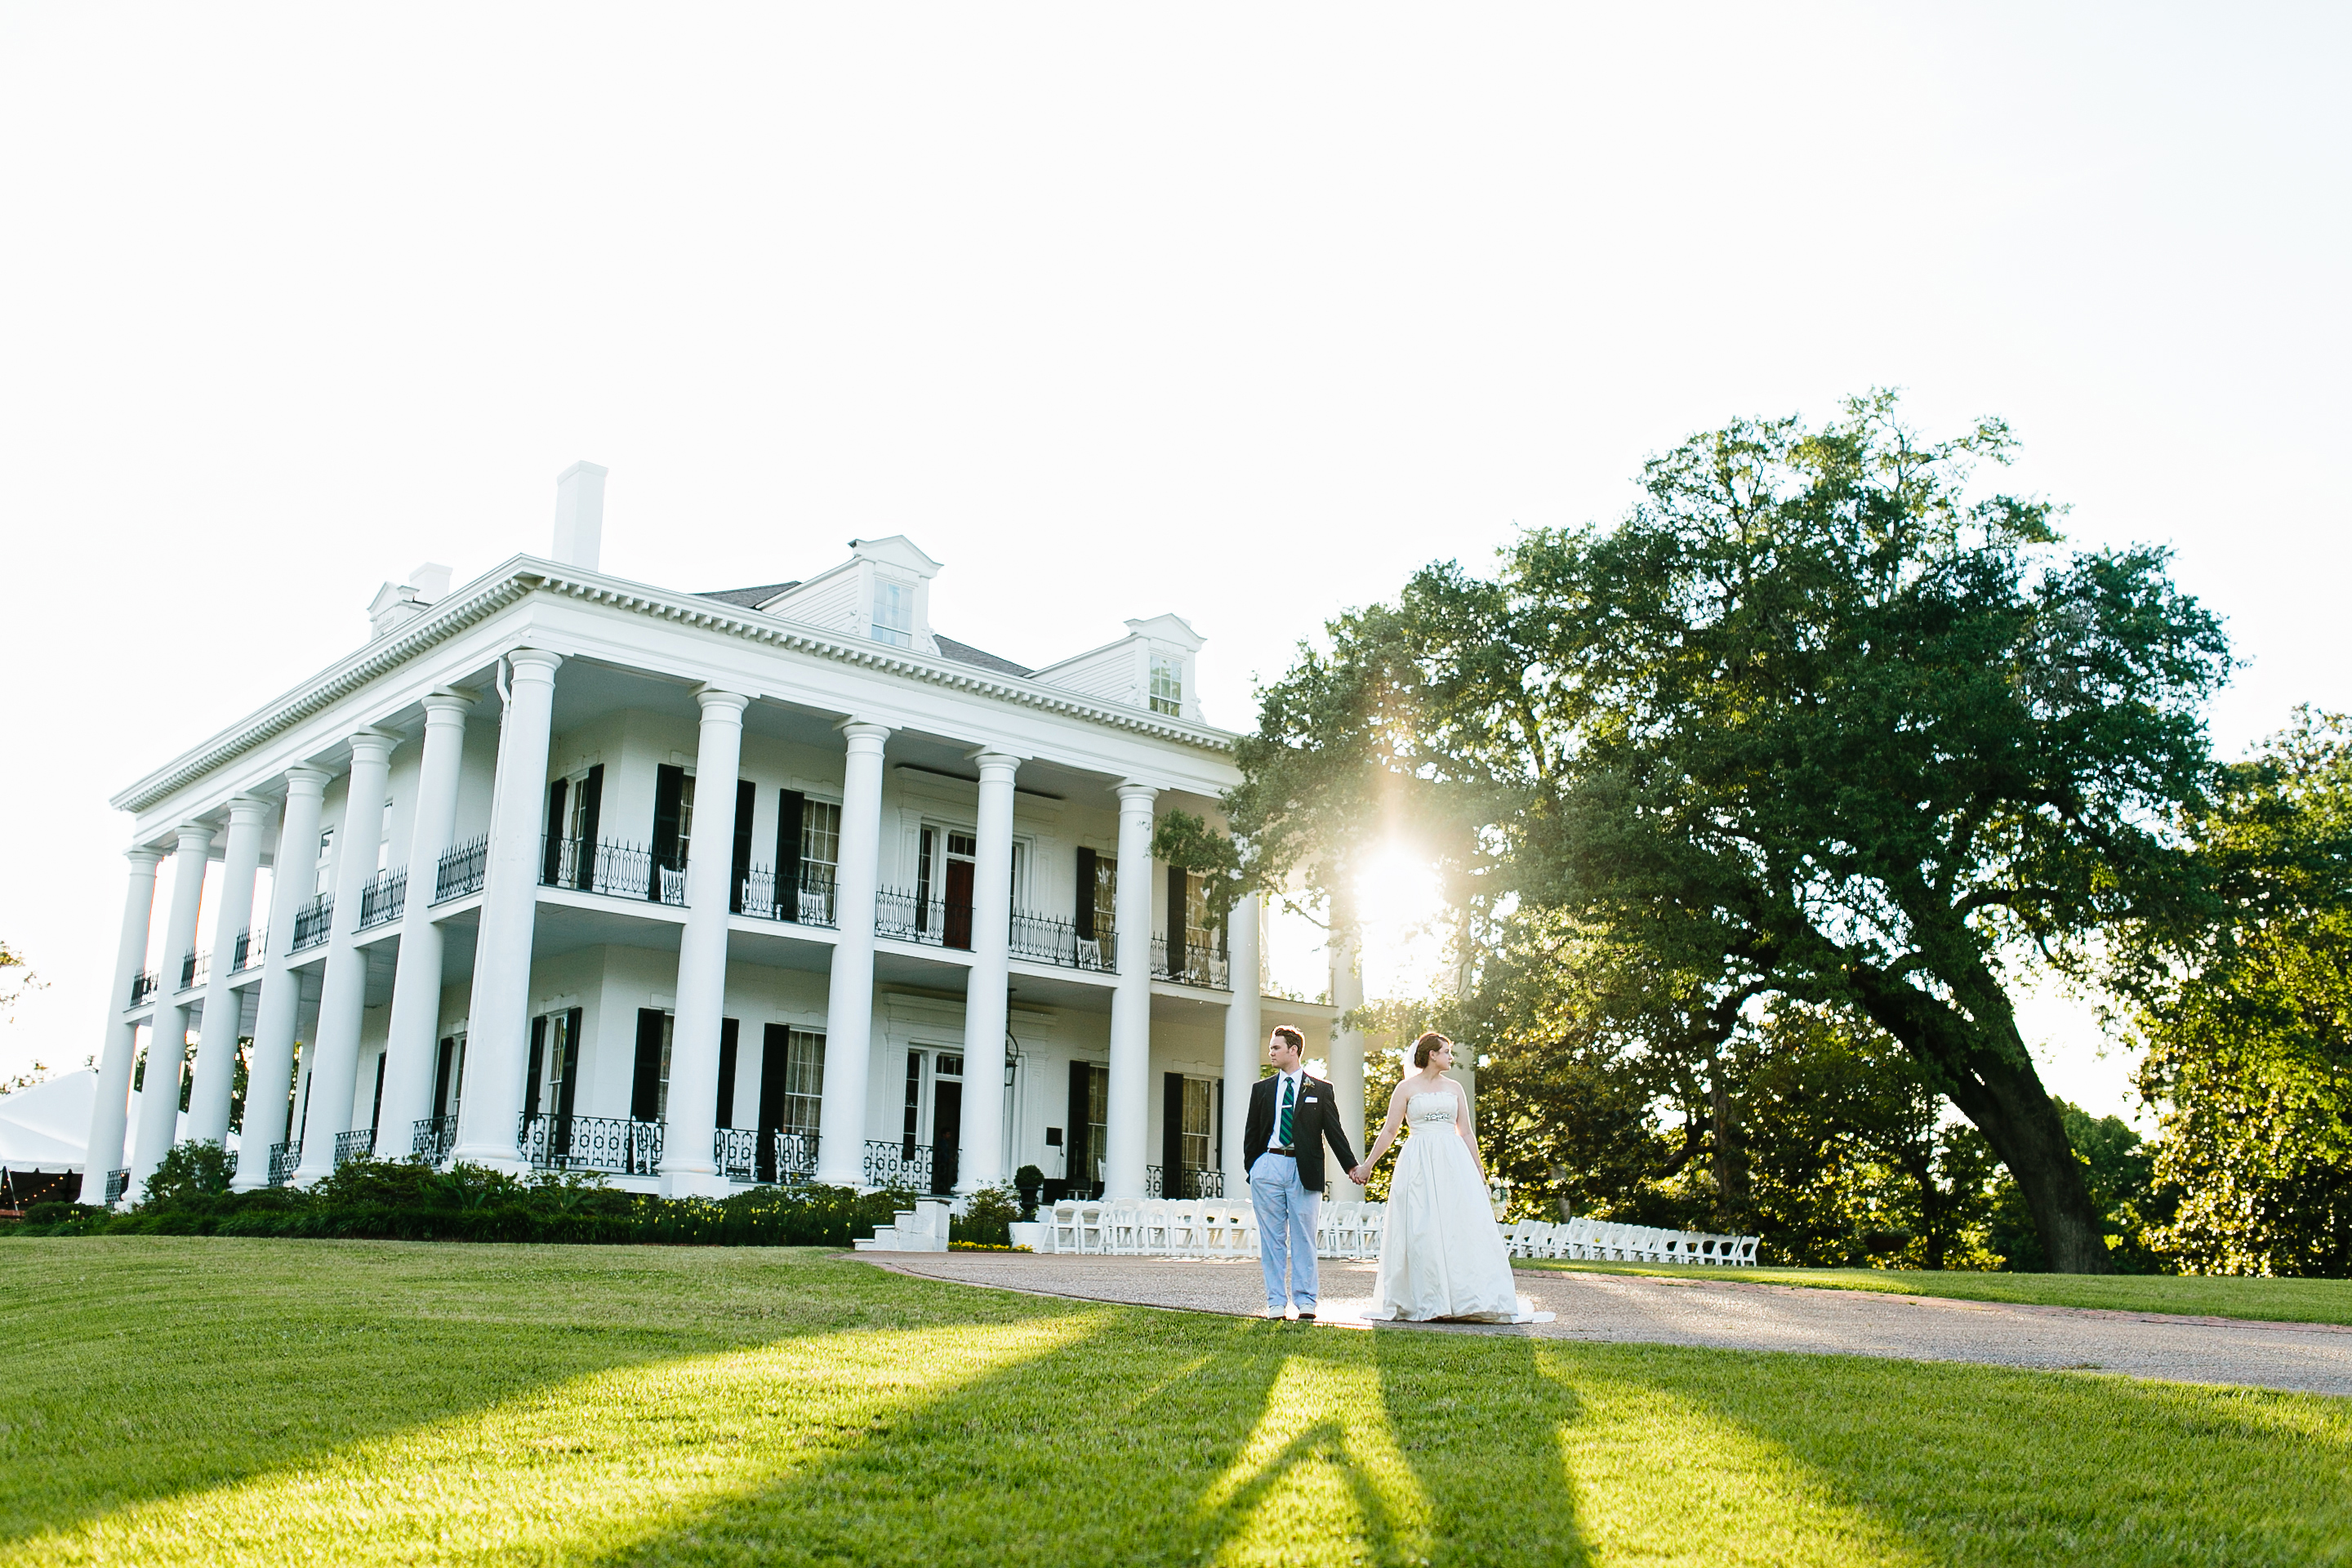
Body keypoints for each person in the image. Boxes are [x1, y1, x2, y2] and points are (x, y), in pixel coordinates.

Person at [1349, 1031, 1535, 1323]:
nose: (1451, 1057)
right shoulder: (1405, 1089)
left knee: (1456, 1225)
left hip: (1453, 1161)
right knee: (1422, 1228)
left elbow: (1466, 1131)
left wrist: (1479, 1171)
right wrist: (1368, 1164)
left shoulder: (1455, 1088)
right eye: (1446, 1052)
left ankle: (1466, 1299)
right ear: (1432, 1055)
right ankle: (1429, 1299)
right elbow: (1390, 1130)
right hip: (1418, 1161)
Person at [1243, 1024, 1361, 1321]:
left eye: (1276, 1048)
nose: (1271, 1052)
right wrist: (1254, 1168)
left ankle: (1306, 1301)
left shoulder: (1320, 1090)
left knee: (1304, 1237)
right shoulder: (1262, 1089)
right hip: (1268, 1167)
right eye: (1271, 1048)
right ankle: (1274, 1303)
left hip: (1303, 1168)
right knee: (1272, 1240)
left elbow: (1334, 1133)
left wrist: (1351, 1166)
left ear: (1293, 1050)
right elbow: (1252, 1133)